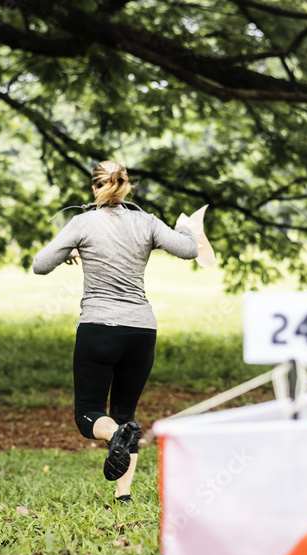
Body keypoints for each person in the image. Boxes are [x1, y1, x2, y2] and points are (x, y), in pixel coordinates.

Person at [33, 160, 199, 503]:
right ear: (126, 186)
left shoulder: (82, 223)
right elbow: (189, 250)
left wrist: (69, 250)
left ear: (95, 188)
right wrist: (187, 231)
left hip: (98, 328)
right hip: (141, 330)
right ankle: (123, 497)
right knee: (126, 414)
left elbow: (39, 265)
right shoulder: (147, 221)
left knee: (88, 414)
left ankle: (117, 435)